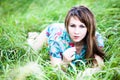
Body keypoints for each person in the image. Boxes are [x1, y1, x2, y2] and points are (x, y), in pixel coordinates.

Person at [27, 5, 105, 70]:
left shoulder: (95, 38)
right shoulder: (57, 39)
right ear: (67, 26)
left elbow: (99, 65)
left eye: (82, 26)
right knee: (33, 50)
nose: (76, 32)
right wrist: (64, 62)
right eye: (72, 26)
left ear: (89, 28)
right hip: (52, 30)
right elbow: (55, 70)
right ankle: (32, 37)